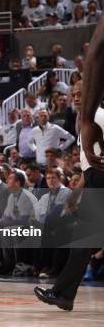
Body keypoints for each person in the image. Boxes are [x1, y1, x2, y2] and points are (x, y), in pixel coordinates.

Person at [34, 19, 104, 310]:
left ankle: (64, 293)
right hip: (95, 178)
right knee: (85, 240)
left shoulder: (96, 116)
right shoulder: (88, 118)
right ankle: (64, 293)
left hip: (101, 178)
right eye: (74, 95)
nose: (76, 98)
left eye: (80, 94)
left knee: (85, 238)